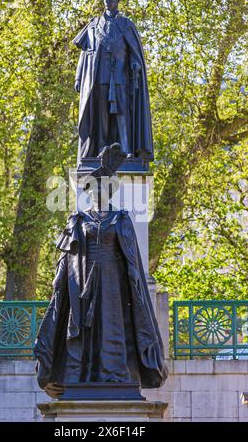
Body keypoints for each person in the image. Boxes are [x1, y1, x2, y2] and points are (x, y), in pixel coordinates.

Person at [34, 145, 167, 398]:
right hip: (83, 280)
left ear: (108, 190)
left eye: (100, 188)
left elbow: (131, 259)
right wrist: (59, 281)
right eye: (92, 188)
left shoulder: (120, 218)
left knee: (112, 326)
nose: (96, 193)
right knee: (84, 327)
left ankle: (113, 374)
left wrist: (134, 285)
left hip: (113, 283)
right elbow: (67, 256)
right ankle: (82, 374)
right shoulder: (78, 219)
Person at [73, 0, 154, 164]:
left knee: (123, 114)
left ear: (117, 0)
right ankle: (102, 149)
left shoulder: (126, 24)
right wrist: (79, 78)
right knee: (101, 116)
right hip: (99, 78)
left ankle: (126, 149)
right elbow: (85, 54)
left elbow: (134, 52)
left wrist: (135, 63)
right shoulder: (93, 25)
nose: (107, 1)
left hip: (120, 78)